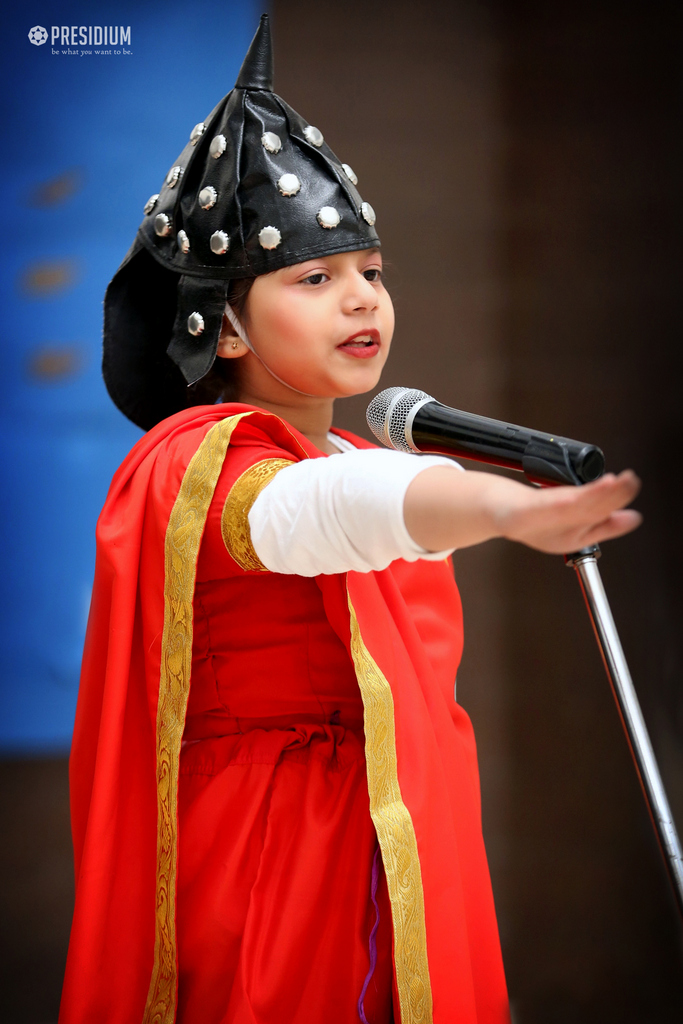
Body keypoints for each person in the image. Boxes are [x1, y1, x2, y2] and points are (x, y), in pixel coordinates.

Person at [59, 16, 641, 1024]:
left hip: (382, 836)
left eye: (370, 272)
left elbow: (365, 490)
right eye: (314, 279)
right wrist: (502, 505)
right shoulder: (205, 469)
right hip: (272, 860)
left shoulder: (352, 454)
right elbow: (340, 515)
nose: (359, 300)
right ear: (225, 323)